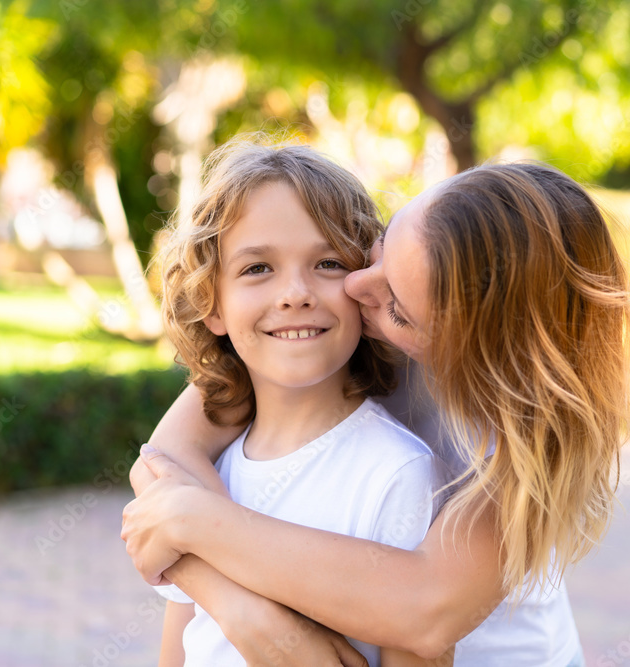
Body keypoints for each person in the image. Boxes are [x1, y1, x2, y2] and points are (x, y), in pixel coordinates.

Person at [123, 159, 630, 666]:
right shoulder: (322, 348)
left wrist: (190, 521)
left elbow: (425, 614)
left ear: (465, 349)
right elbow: (165, 460)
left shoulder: (517, 440)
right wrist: (245, 613)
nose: (356, 286)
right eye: (382, 249)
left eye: (396, 306)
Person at [142, 138, 447, 667]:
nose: (295, 293)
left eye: (327, 263)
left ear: (367, 288)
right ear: (212, 306)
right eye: (257, 268)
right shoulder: (204, 469)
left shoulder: (397, 472)